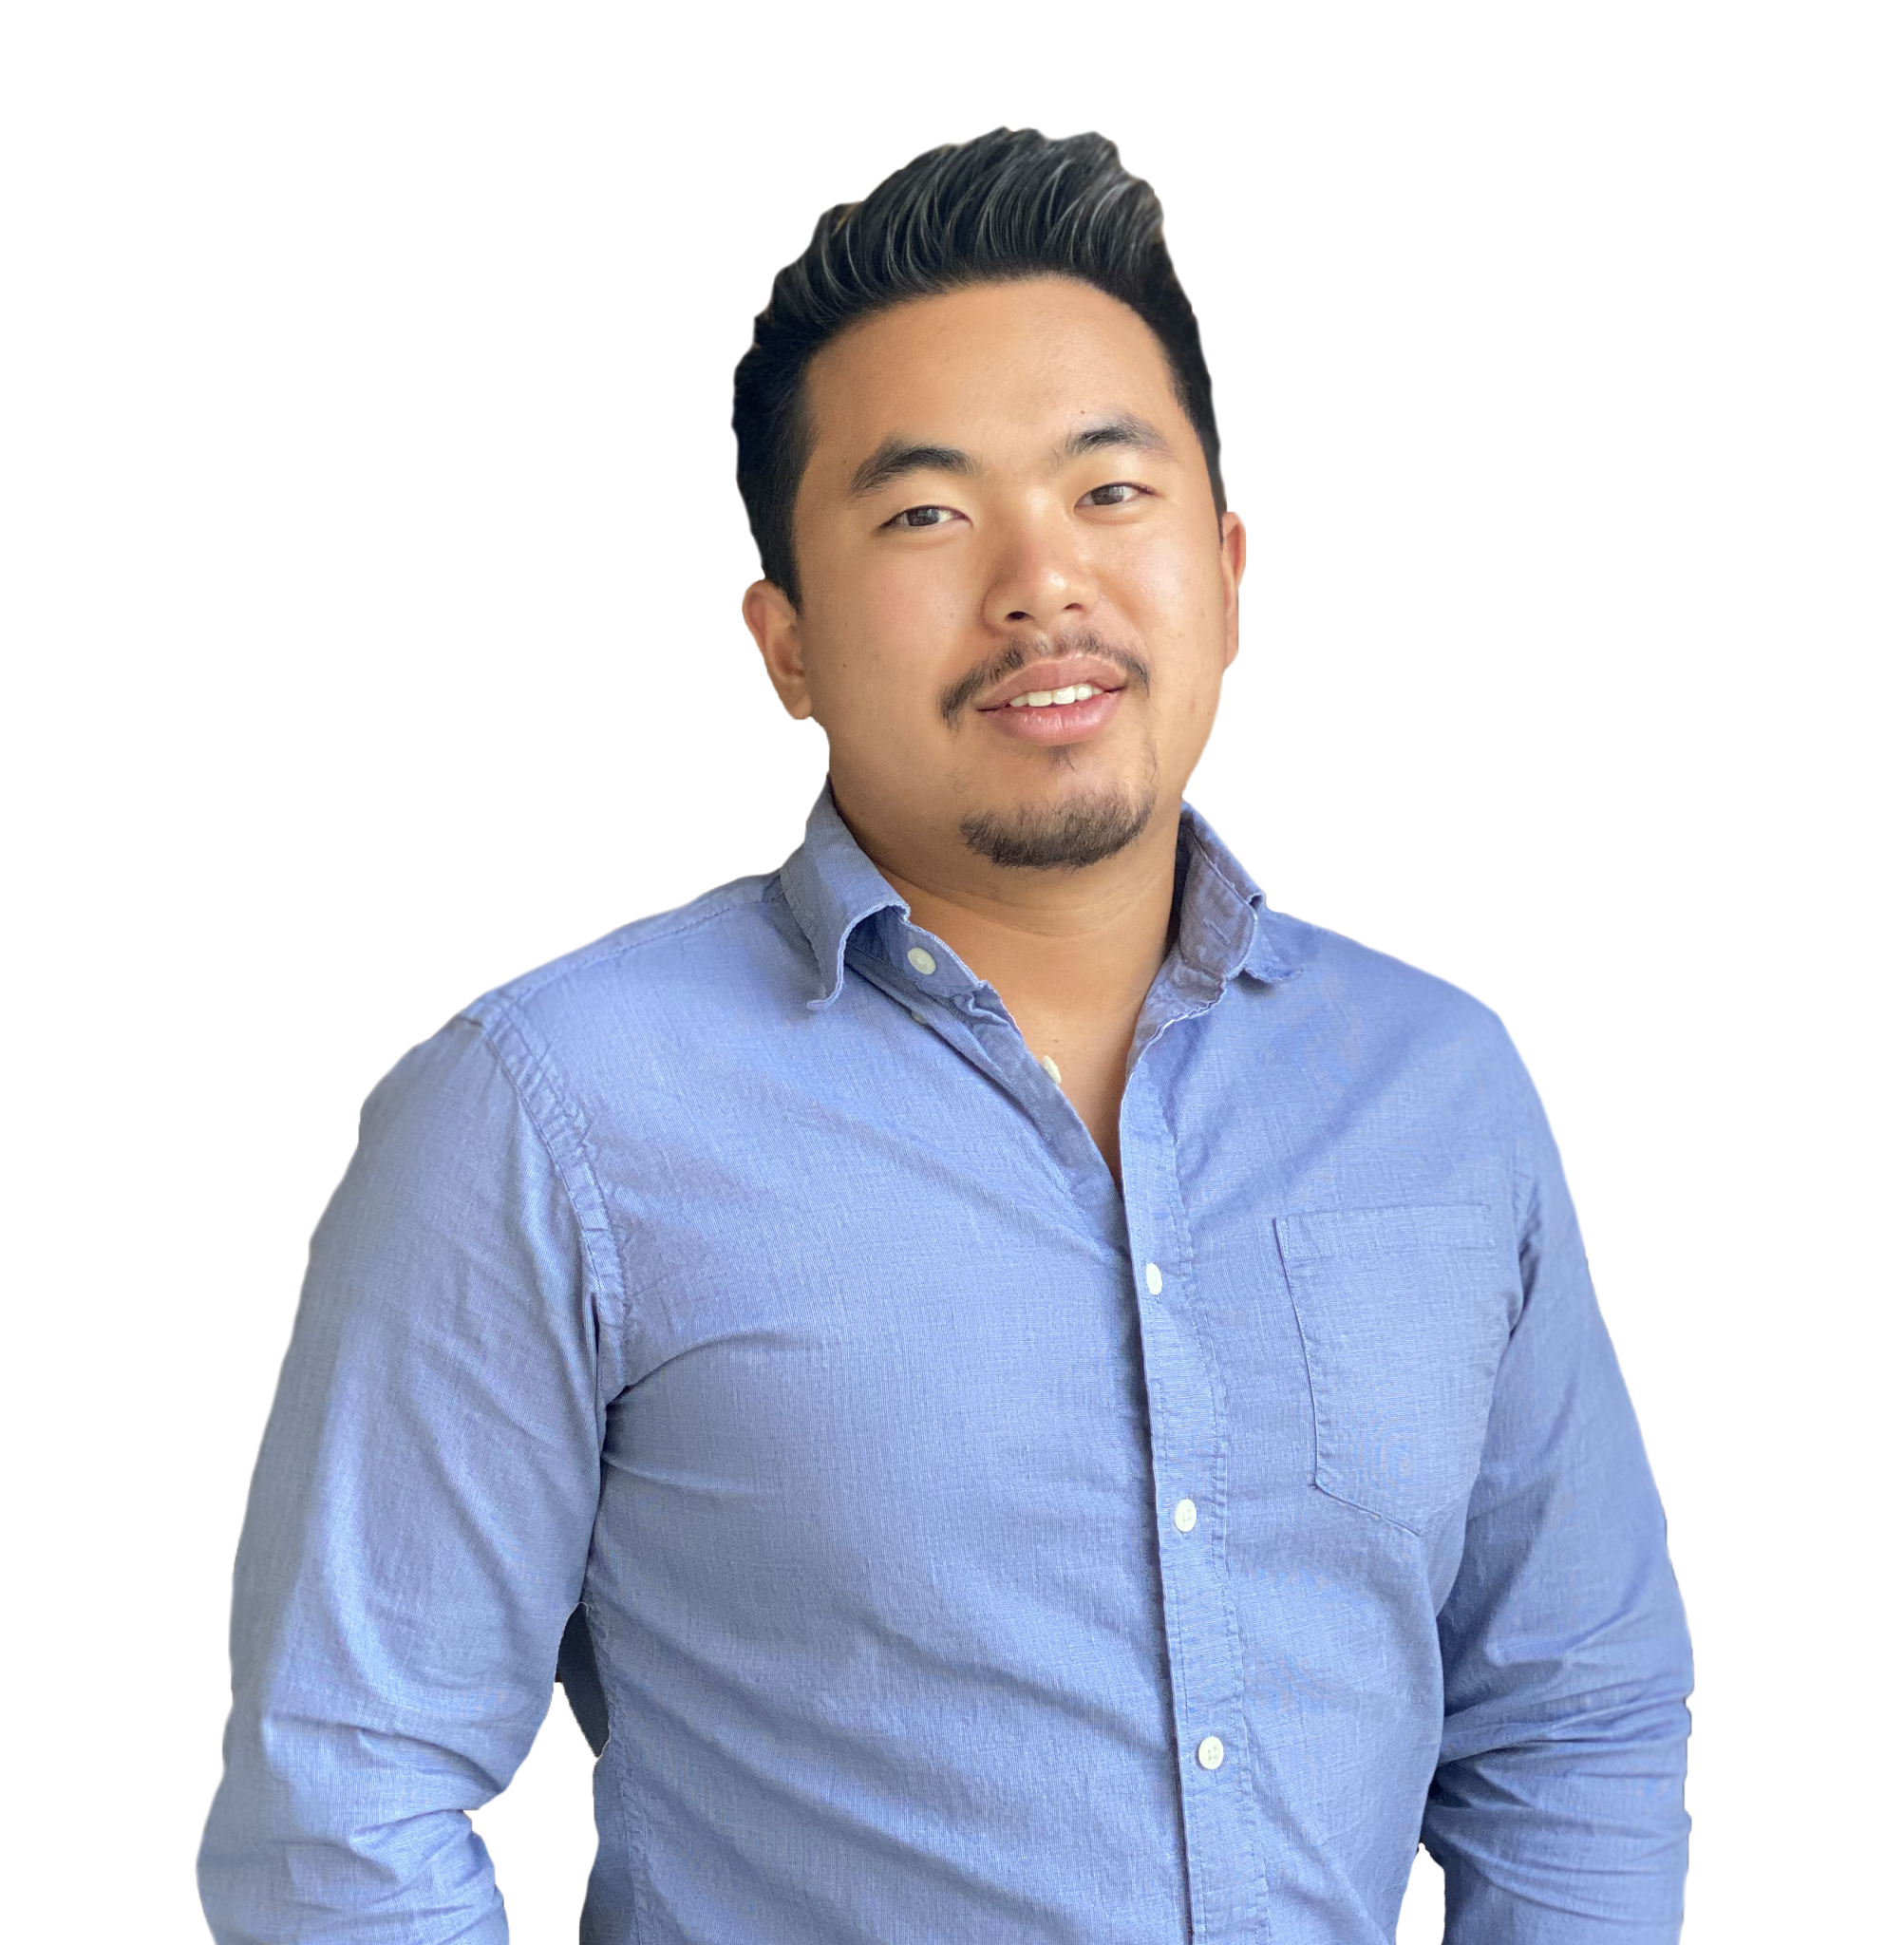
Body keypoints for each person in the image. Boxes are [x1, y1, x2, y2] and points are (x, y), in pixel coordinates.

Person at [197, 126, 1692, 1943]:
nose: (1040, 583)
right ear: (784, 638)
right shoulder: (547, 1113)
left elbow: (1576, 1729)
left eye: (1109, 489)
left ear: (1230, 575)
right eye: (925, 513)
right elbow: (347, 1807)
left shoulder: (1438, 1090)